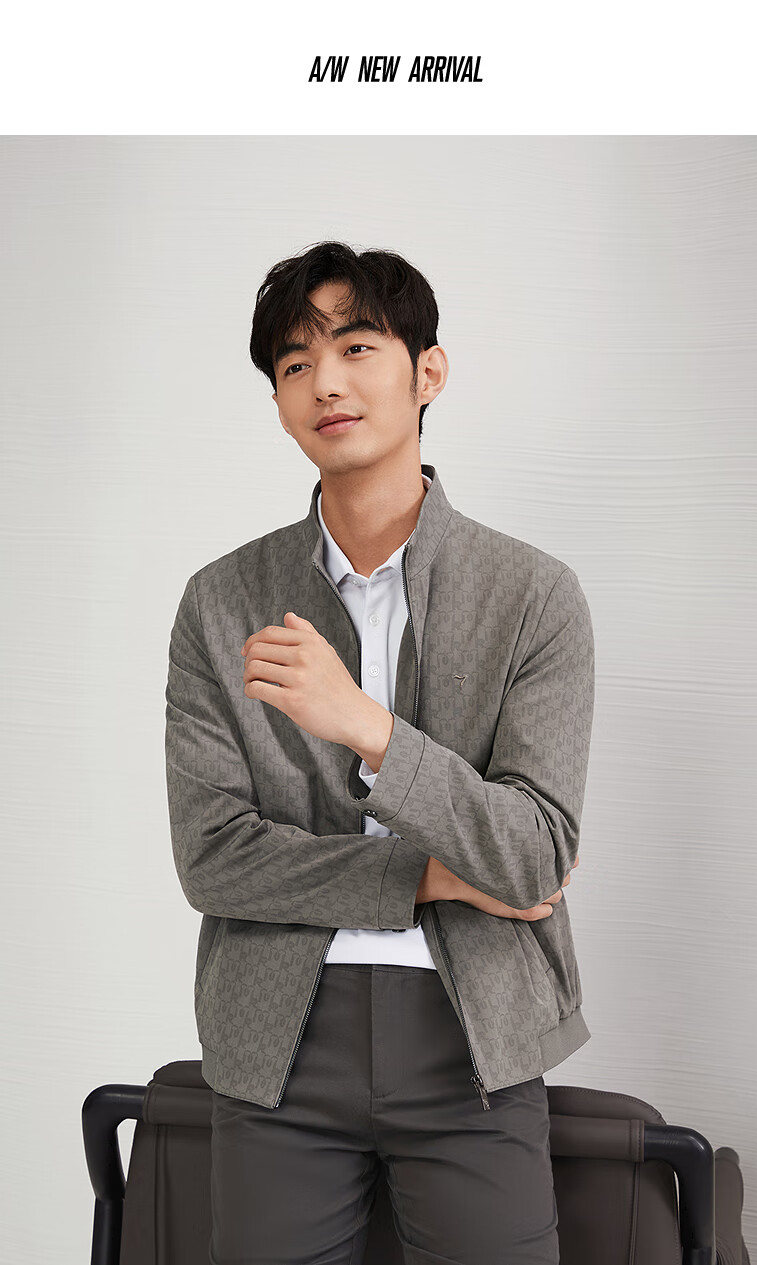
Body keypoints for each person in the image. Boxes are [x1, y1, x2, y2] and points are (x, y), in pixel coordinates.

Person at [165, 240, 595, 1265]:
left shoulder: (533, 595)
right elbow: (212, 858)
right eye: (295, 363)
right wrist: (431, 876)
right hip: (274, 1037)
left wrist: (367, 726)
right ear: (278, 402)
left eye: (356, 346)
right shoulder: (220, 600)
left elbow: (535, 854)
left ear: (427, 371)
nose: (326, 381)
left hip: (475, 1035)